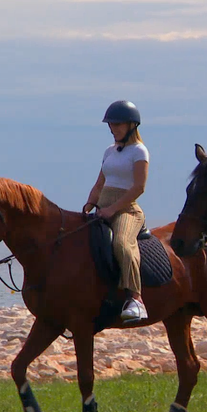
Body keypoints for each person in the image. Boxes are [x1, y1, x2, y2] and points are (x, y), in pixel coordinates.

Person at [83, 100, 150, 323]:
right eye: (111, 125)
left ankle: (136, 299)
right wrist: (89, 204)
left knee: (121, 243)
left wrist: (113, 209)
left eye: (118, 124)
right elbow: (100, 182)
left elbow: (139, 187)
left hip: (127, 211)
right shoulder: (109, 151)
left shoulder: (139, 151)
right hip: (103, 208)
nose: (113, 129)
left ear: (132, 125)